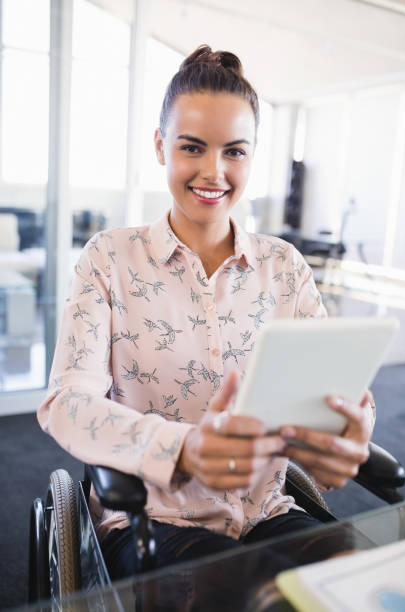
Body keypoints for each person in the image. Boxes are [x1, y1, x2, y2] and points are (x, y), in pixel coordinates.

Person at [38, 45, 374, 581]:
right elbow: (67, 403)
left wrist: (347, 432)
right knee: (239, 590)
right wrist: (182, 449)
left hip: (264, 512)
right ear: (160, 145)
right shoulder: (109, 257)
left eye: (234, 152)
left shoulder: (283, 267)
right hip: (154, 520)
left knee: (354, 579)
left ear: (252, 154)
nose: (213, 172)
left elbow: (333, 390)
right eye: (192, 147)